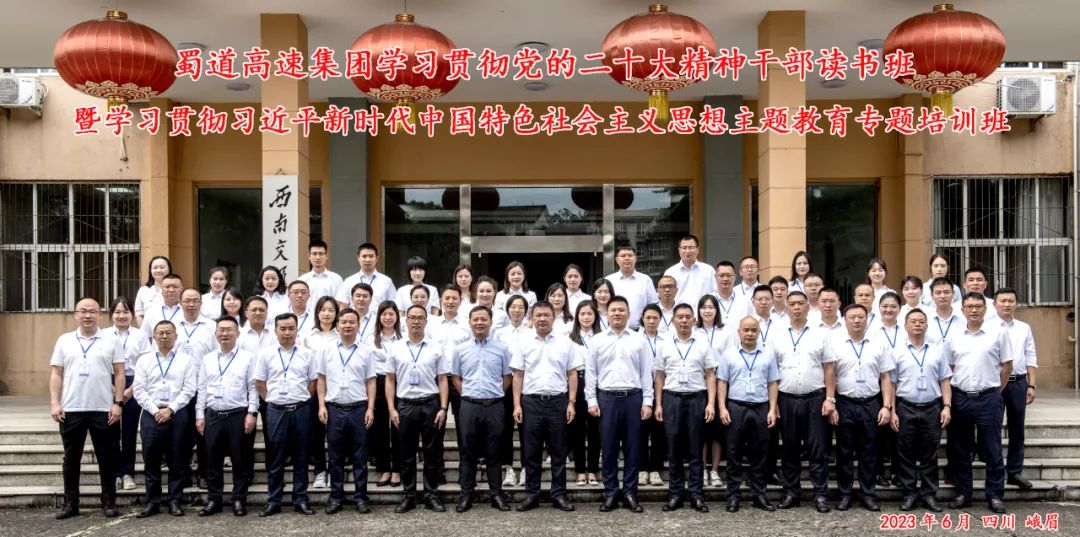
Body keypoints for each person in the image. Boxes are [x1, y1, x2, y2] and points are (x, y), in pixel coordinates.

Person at [50, 297, 126, 520]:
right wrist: (55, 403)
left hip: (104, 409)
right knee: (71, 459)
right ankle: (70, 503)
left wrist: (118, 403)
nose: (87, 315)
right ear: (76, 314)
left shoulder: (112, 340)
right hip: (71, 409)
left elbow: (120, 373)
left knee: (107, 457)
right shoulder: (64, 340)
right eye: (83, 311)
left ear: (99, 315)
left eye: (92, 311)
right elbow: (56, 374)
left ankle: (109, 501)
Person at [942, 292, 1013, 514]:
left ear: (985, 309)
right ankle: (964, 493)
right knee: (961, 449)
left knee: (992, 448)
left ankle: (995, 495)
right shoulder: (954, 336)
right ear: (962, 310)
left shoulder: (998, 333)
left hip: (988, 398)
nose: (974, 310)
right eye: (969, 306)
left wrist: (995, 391)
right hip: (961, 398)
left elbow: (1007, 367)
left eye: (978, 306)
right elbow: (949, 368)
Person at [586, 296, 655, 513]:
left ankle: (630, 492)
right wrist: (591, 400)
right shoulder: (597, 340)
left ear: (629, 314)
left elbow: (646, 373)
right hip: (606, 399)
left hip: (633, 398)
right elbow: (591, 373)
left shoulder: (639, 340)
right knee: (609, 448)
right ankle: (611, 492)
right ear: (607, 314)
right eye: (613, 310)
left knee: (633, 448)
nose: (617, 313)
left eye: (621, 310)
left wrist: (648, 402)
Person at [827, 304, 895, 512]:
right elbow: (830, 375)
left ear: (867, 319)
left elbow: (886, 377)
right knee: (844, 452)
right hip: (845, 403)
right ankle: (845, 494)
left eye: (860, 317)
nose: (856, 321)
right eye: (852, 317)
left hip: (871, 403)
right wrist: (831, 402)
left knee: (870, 451)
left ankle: (868, 494)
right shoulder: (835, 344)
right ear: (844, 320)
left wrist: (886, 406)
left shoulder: (879, 344)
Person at [771, 291, 835, 513]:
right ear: (786, 307)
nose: (797, 307)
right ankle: (791, 492)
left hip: (814, 398)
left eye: (800, 303)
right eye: (792, 304)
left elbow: (829, 367)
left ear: (808, 306)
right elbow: (772, 372)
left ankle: (821, 494)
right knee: (789, 448)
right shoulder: (777, 335)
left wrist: (830, 398)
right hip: (786, 399)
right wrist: (774, 404)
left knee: (818, 449)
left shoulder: (820, 333)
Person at [512, 301, 578, 512]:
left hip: (558, 402)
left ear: (553, 317)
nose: (542, 319)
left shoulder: (565, 342)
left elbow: (572, 373)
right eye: (538, 315)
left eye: (546, 315)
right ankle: (532, 495)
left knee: (558, 452)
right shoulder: (523, 342)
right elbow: (518, 375)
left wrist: (571, 402)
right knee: (531, 452)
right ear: (532, 318)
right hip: (531, 403)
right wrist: (517, 405)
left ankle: (559, 494)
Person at [384, 305, 450, 513]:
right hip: (405, 405)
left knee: (432, 453)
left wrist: (443, 407)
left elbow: (442, 379)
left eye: (420, 318)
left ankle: (431, 494)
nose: (416, 321)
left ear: (426, 321)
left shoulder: (435, 347)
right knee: (406, 453)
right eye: (412, 317)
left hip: (430, 404)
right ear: (406, 321)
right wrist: (391, 408)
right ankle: (409, 495)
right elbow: (390, 379)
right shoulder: (396, 347)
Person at [253, 313, 319, 517]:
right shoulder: (266, 354)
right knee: (276, 457)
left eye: (291, 328)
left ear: (297, 330)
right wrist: (271, 400)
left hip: (300, 410)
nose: (287, 332)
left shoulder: (307, 354)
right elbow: (259, 383)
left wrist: (301, 398)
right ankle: (274, 501)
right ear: (275, 331)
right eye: (283, 328)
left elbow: (313, 382)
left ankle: (301, 499)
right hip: (276, 410)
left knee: (301, 456)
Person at [653, 303, 716, 513]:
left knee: (696, 449)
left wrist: (711, 403)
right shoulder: (664, 344)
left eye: (688, 317)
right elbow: (659, 376)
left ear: (694, 320)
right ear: (673, 320)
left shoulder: (703, 343)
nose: (684, 320)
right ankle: (676, 494)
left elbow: (710, 375)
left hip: (697, 398)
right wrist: (658, 404)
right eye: (679, 317)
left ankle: (696, 495)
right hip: (672, 399)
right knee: (674, 449)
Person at [450, 305, 514, 512]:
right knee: (467, 452)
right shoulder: (460, 349)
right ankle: (466, 495)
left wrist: (495, 394)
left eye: (483, 319)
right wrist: (469, 395)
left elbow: (507, 377)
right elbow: (456, 378)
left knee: (494, 452)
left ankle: (496, 495)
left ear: (490, 322)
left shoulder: (502, 349)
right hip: (469, 406)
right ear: (470, 322)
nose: (479, 323)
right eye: (475, 319)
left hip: (494, 406)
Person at [194, 317, 259, 517]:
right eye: (221, 330)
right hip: (213, 414)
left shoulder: (248, 358)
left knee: (240, 459)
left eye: (229, 330)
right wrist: (199, 415)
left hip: (238, 414)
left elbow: (253, 387)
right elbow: (202, 388)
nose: (224, 333)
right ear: (215, 334)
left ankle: (239, 498)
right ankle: (214, 499)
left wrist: (252, 413)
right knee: (212, 459)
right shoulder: (208, 359)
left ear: (237, 333)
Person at [133, 320, 198, 517]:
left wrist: (170, 409)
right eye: (160, 333)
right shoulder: (144, 360)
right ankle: (152, 501)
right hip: (151, 414)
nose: (164, 336)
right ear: (154, 337)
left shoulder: (186, 360)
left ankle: (175, 500)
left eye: (168, 332)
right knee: (151, 459)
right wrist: (156, 411)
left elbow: (189, 389)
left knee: (177, 459)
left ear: (176, 336)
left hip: (177, 414)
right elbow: (139, 389)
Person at [317, 308, 378, 514]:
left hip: (358, 409)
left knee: (360, 457)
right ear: (337, 325)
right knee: (335, 458)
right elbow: (321, 379)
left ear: (358, 326)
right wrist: (321, 405)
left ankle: (361, 497)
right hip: (334, 409)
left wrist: (370, 408)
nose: (348, 325)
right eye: (344, 322)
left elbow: (371, 381)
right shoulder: (327, 350)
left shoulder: (366, 351)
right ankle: (336, 497)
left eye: (352, 322)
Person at [890, 308, 951, 513]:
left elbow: (945, 380)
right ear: (905, 325)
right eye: (913, 321)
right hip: (905, 407)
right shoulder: (897, 351)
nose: (917, 324)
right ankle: (909, 494)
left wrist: (947, 406)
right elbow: (891, 383)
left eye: (921, 321)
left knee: (930, 453)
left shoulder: (937, 350)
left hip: (931, 407)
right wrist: (892, 410)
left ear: (926, 326)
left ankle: (929, 495)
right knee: (905, 453)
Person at [717, 316, 779, 513]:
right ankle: (733, 496)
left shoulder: (767, 355)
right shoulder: (729, 355)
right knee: (733, 453)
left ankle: (759, 495)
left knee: (760, 454)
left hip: (760, 407)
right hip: (736, 407)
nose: (750, 334)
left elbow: (772, 383)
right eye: (746, 330)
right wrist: (722, 407)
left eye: (753, 330)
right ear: (739, 332)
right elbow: (722, 382)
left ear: (758, 332)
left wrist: (772, 409)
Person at [106, 297, 151, 493]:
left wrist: (130, 390)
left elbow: (145, 364)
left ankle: (127, 473)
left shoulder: (140, 336)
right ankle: (115, 473)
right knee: (111, 431)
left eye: (125, 312)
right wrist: (112, 388)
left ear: (132, 314)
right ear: (111, 315)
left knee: (129, 431)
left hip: (133, 383)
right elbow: (100, 364)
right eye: (117, 312)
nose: (121, 316)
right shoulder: (103, 335)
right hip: (108, 382)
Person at [995, 287, 1038, 490]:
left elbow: (1031, 355)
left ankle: (1014, 472)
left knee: (1017, 429)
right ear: (995, 303)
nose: (1006, 304)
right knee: (992, 428)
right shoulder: (988, 327)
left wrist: (1031, 384)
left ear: (1016, 303)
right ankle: (995, 473)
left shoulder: (1024, 328)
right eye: (1002, 301)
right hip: (995, 383)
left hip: (1018, 382)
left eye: (1010, 301)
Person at [175, 288, 216, 490]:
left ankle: (204, 474)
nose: (191, 304)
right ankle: (183, 474)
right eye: (187, 300)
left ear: (201, 303)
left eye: (195, 301)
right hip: (179, 388)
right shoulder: (172, 325)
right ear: (180, 302)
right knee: (181, 432)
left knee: (203, 433)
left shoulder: (211, 326)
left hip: (203, 386)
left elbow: (217, 355)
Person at [494, 294, 532, 487]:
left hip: (527, 385)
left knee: (527, 429)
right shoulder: (499, 333)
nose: (517, 310)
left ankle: (526, 468)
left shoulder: (531, 333)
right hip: (505, 384)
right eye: (513, 307)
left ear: (526, 311)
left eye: (520, 307)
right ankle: (508, 469)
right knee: (505, 429)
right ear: (507, 310)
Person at [696, 294, 732, 488]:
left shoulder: (725, 331)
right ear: (699, 310)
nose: (707, 310)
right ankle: (702, 468)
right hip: (699, 384)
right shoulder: (695, 331)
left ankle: (715, 470)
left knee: (718, 431)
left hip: (721, 382)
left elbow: (729, 356)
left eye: (711, 307)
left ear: (717, 310)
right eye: (704, 307)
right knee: (702, 429)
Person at [871, 292, 905, 488]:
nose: (888, 310)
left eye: (893, 306)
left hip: (903, 386)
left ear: (899, 309)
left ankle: (898, 472)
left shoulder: (906, 331)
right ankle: (879, 471)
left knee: (899, 432)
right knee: (878, 432)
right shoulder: (872, 331)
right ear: (879, 308)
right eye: (884, 306)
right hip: (880, 386)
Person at [366, 300, 402, 488]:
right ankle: (384, 468)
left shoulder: (403, 338)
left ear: (397, 317)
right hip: (377, 382)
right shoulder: (370, 339)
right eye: (384, 314)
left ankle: (397, 469)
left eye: (391, 314)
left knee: (398, 427)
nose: (388, 318)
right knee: (379, 429)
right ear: (379, 317)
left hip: (399, 382)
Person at [569, 300, 602, 487]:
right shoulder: (570, 338)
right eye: (582, 314)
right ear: (577, 317)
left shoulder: (602, 337)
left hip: (598, 383)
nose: (586, 317)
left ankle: (594, 470)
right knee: (578, 429)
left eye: (590, 313)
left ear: (595, 316)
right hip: (577, 381)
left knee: (595, 429)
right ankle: (580, 470)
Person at [637, 304, 666, 486]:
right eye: (648, 317)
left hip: (662, 389)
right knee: (640, 430)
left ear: (660, 319)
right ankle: (642, 469)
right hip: (640, 389)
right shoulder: (635, 338)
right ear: (642, 319)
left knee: (659, 431)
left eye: (655, 318)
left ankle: (655, 469)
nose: (651, 321)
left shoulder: (667, 339)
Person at [606, 245, 658, 330]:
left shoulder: (645, 280)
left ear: (635, 258)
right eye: (623, 256)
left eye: (630, 255)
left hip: (640, 331)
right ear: (617, 260)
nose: (627, 258)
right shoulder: (609, 280)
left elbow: (653, 305)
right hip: (614, 331)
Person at [663, 235, 717, 308]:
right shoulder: (670, 272)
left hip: (703, 313)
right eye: (684, 248)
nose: (687, 251)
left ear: (697, 250)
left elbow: (715, 293)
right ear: (679, 250)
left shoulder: (708, 270)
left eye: (691, 247)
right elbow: (665, 297)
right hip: (679, 313)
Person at [337, 243, 397, 308]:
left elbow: (393, 306)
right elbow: (343, 306)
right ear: (358, 258)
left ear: (376, 258)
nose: (367, 260)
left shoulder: (386, 281)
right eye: (364, 256)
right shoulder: (349, 281)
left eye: (371, 256)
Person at [299, 239, 344, 307]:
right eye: (314, 254)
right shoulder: (302, 280)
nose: (318, 257)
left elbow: (340, 302)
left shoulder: (336, 279)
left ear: (327, 256)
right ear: (309, 256)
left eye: (321, 254)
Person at [140, 273, 183, 343]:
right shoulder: (151, 311)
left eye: (175, 287)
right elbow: (145, 338)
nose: (171, 290)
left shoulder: (188, 311)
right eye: (167, 287)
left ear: (182, 289)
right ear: (161, 290)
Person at [712, 261, 750, 331]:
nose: (725, 279)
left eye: (729, 275)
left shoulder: (745, 301)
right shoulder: (709, 300)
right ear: (715, 277)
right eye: (722, 275)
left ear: (734, 277)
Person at [926, 277, 965, 346]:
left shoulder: (963, 318)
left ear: (953, 293)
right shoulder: (925, 319)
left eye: (946, 292)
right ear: (931, 295)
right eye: (938, 293)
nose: (942, 296)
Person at [134, 255, 171, 325]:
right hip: (150, 330)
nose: (158, 270)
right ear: (150, 270)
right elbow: (139, 313)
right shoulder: (143, 290)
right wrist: (144, 330)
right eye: (155, 268)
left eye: (162, 267)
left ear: (169, 269)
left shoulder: (176, 290)